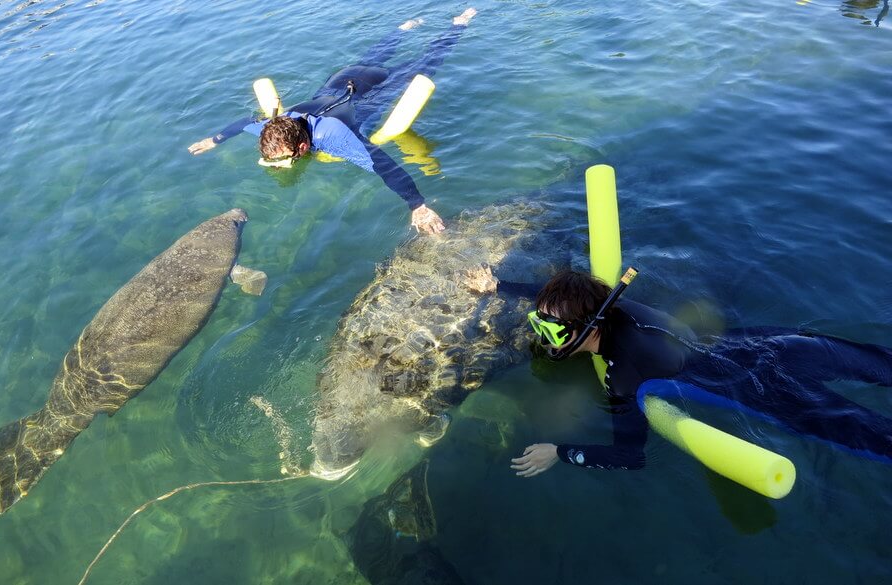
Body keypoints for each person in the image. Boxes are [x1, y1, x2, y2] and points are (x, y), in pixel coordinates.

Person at [461, 267, 892, 477]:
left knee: (878, 439)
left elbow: (631, 456)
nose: (542, 335)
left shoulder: (623, 376)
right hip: (775, 346)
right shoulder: (612, 304)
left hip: (760, 389)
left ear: (586, 327)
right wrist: (497, 286)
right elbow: (555, 300)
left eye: (550, 329)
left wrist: (560, 452)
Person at [188, 8, 479, 235]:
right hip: (341, 80)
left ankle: (459, 24)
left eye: (281, 161)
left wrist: (418, 205)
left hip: (373, 91)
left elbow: (383, 165)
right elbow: (242, 123)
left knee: (426, 63)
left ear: (303, 147)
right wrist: (213, 140)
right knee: (373, 57)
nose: (277, 166)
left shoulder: (334, 137)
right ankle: (405, 27)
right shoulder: (273, 127)